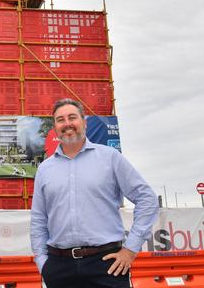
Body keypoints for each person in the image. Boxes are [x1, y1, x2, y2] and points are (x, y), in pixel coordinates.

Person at [30, 98, 159, 288]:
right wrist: (43, 262)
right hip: (59, 268)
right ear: (55, 127)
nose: (67, 124)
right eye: (60, 120)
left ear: (84, 122)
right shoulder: (45, 169)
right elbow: (39, 218)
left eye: (72, 117)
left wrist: (130, 250)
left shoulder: (110, 158)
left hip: (106, 265)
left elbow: (147, 199)